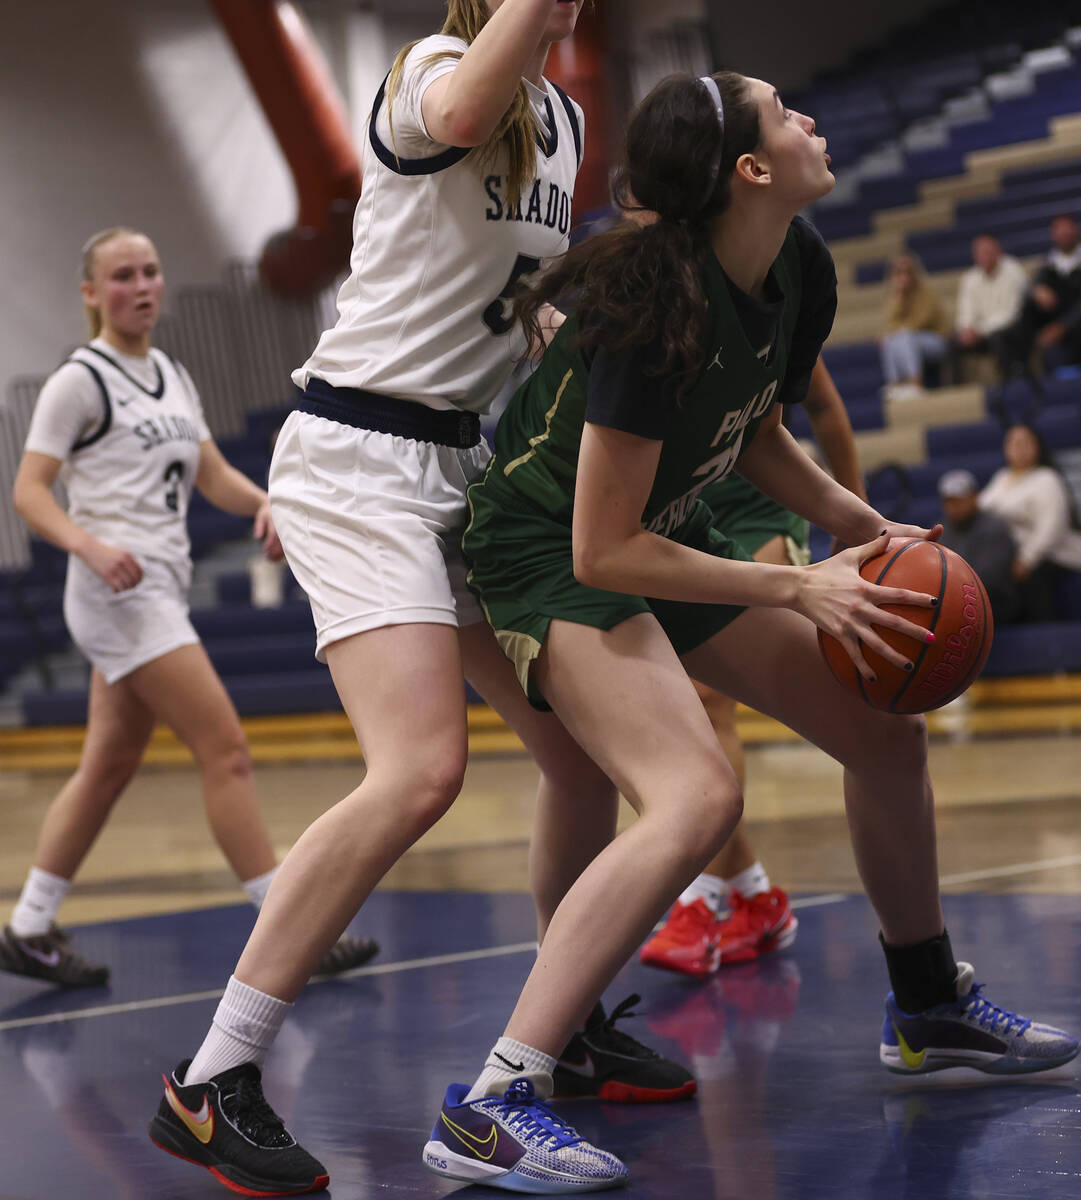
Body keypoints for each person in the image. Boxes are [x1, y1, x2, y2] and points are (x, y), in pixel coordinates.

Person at [455, 69, 1077, 1189]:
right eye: (787, 114)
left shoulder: (797, 266)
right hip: (544, 553)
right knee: (697, 796)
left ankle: (928, 1004)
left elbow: (751, 432)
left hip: (654, 529)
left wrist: (857, 521)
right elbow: (602, 551)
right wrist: (796, 587)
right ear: (747, 170)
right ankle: (496, 1096)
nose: (812, 124)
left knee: (885, 732)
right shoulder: (650, 308)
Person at [149, 5, 686, 1196]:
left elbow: (507, 295)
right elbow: (456, 118)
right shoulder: (437, 72)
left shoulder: (562, 113)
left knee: (575, 755)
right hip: (361, 458)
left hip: (458, 461)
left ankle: (571, 1017)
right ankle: (211, 1080)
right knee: (417, 772)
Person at [2, 228, 377, 990]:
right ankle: (288, 931)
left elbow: (209, 473)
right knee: (226, 748)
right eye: (121, 276)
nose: (141, 286)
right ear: (90, 293)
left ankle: (29, 925)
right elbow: (29, 491)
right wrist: (89, 546)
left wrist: (264, 503)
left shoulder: (170, 371)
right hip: (120, 592)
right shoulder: (81, 380)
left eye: (150, 271)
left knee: (107, 766)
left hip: (157, 588)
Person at [641, 358, 865, 975]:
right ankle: (755, 895)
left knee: (707, 699)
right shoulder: (653, 296)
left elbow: (824, 407)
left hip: (762, 507)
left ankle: (701, 903)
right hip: (677, 515)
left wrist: (855, 521)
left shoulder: (762, 289)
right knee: (674, 717)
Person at [979, 424, 1081, 621]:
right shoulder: (1002, 477)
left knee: (1030, 580)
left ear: (1037, 447)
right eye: (1013, 442)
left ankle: (1045, 637)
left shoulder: (1046, 478)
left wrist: (1027, 559)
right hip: (1007, 554)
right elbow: (981, 510)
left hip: (1051, 556)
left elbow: (1052, 527)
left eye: (1025, 442)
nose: (1019, 447)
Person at [999, 214, 1081, 378]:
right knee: (1025, 310)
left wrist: (1062, 326)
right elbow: (1031, 287)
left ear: (1076, 230)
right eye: (1058, 230)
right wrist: (1036, 290)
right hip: (1055, 320)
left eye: (1066, 229)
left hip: (1074, 323)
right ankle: (1020, 373)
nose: (1063, 234)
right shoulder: (1050, 263)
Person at [936, 468, 1020, 625]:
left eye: (959, 500)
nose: (954, 506)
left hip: (994, 607)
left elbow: (990, 578)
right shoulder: (942, 531)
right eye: (949, 501)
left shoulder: (995, 528)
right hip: (954, 605)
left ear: (974, 497)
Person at [952, 233, 1028, 383]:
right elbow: (965, 310)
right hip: (979, 333)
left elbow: (1010, 313)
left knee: (999, 338)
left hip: (1010, 329)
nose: (983, 256)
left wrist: (979, 330)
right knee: (952, 341)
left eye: (987, 251)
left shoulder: (1013, 271)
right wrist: (967, 329)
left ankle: (1008, 384)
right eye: (979, 252)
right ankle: (957, 390)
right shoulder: (970, 278)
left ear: (998, 252)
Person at [879, 254, 951, 399]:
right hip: (910, 339)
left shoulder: (926, 294)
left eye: (907, 272)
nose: (903, 277)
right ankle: (895, 384)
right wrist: (899, 297)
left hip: (937, 340)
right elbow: (887, 325)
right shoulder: (895, 296)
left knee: (905, 335)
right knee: (887, 340)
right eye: (899, 273)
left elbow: (919, 322)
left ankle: (915, 383)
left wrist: (898, 329)